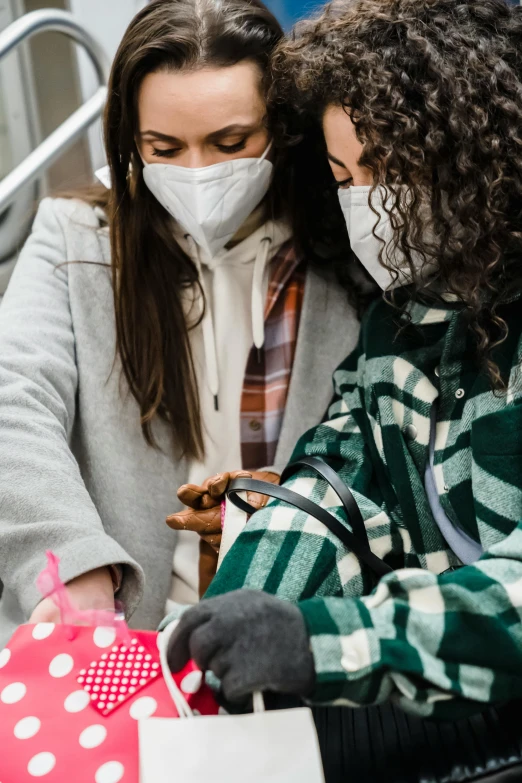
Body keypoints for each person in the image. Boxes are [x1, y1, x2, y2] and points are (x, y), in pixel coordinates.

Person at [166, 0, 522, 720]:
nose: (368, 203)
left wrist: (326, 641)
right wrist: (246, 605)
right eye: (344, 174)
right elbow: (342, 485)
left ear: (475, 154)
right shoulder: (399, 327)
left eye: (389, 167)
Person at [0, 0, 359, 646]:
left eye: (231, 144)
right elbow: (13, 398)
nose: (198, 173)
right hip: (116, 631)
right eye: (164, 148)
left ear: (282, 128)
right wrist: (72, 559)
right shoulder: (76, 237)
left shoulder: (342, 247)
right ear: (130, 141)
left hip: (288, 636)